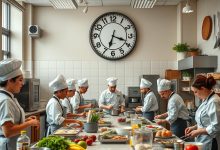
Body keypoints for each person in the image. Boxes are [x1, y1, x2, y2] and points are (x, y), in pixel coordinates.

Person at [0, 58, 40, 150]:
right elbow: (8, 131)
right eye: (20, 80)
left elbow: (10, 123)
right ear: (10, 80)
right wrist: (29, 123)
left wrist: (25, 120)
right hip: (8, 145)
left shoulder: (9, 97)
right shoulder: (6, 100)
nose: (23, 83)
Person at [185, 75, 220, 150]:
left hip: (211, 142)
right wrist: (194, 127)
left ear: (203, 89)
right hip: (202, 140)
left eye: (196, 92)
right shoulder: (205, 99)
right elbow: (205, 121)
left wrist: (198, 131)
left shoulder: (214, 101)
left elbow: (216, 127)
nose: (195, 95)